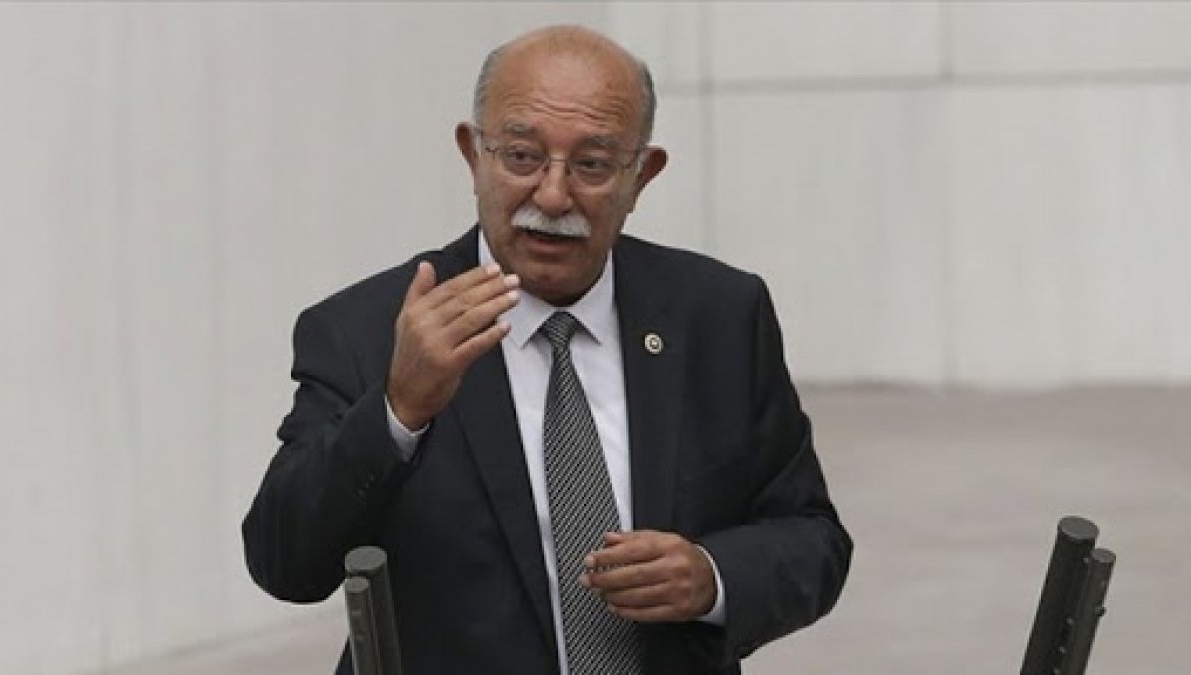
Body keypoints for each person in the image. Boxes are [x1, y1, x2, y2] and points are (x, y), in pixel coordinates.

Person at [243, 24, 852, 675]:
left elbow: (811, 537)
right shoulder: (368, 331)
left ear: (641, 175)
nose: (554, 196)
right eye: (522, 157)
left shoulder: (719, 315)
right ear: (473, 156)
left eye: (592, 165)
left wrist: (711, 576)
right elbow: (285, 562)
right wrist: (397, 409)